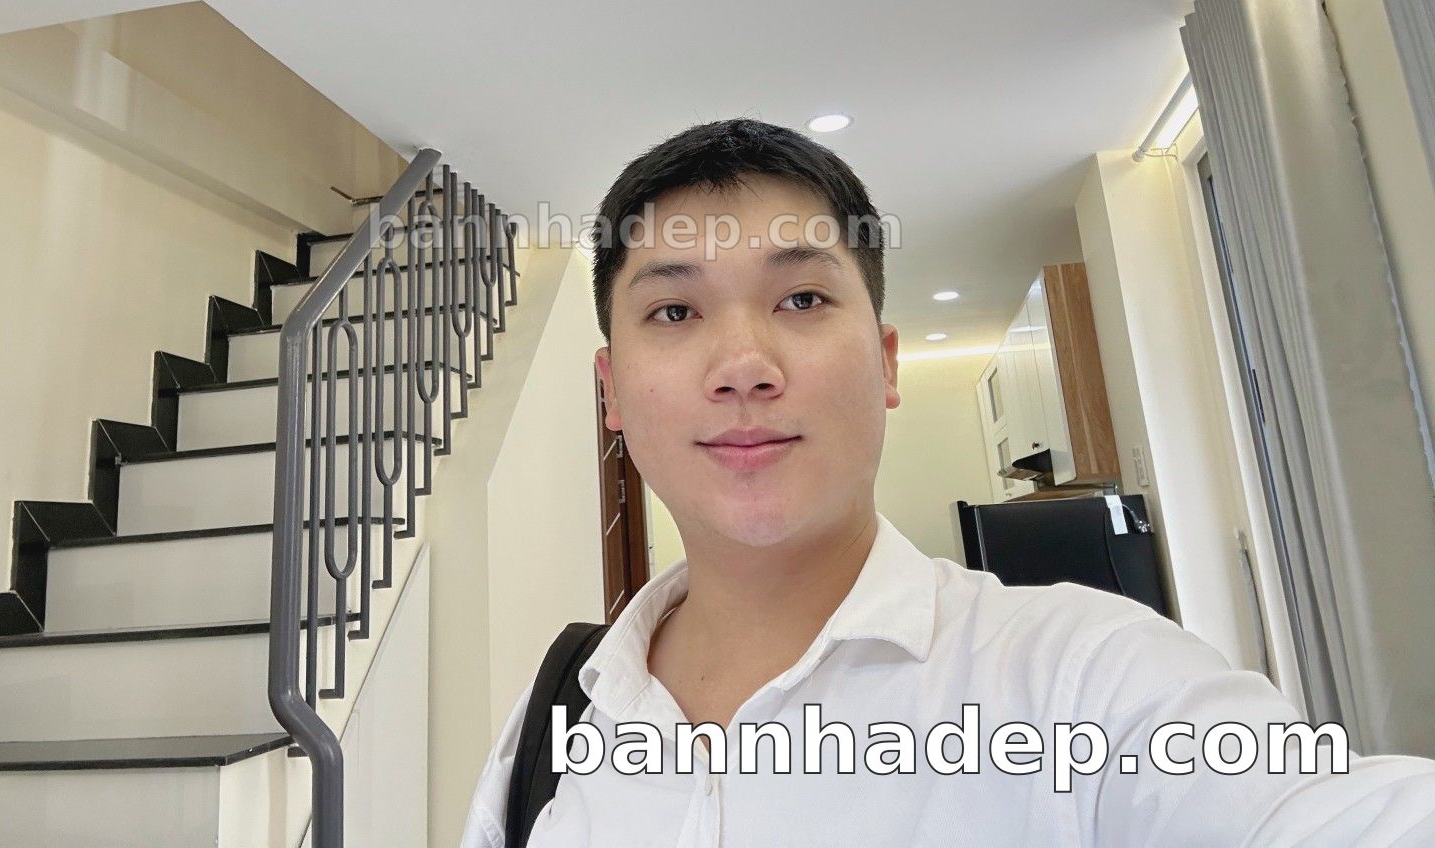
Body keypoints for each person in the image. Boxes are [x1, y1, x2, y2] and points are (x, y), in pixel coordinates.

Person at [460, 117, 1435, 847]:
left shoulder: (1078, 684)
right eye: (674, 312)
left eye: (802, 297)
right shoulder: (553, 724)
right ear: (611, 390)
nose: (743, 365)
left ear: (885, 364)